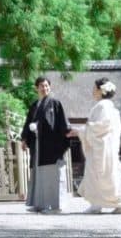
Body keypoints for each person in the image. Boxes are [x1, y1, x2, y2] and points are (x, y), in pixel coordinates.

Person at [69, 77, 121, 214]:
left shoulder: (103, 106)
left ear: (100, 91)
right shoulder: (109, 106)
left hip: (102, 147)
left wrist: (80, 130)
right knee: (111, 174)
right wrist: (83, 130)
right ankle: (119, 202)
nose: (92, 91)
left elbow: (101, 126)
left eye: (94, 88)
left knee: (101, 174)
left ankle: (101, 204)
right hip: (106, 146)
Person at [21, 76, 73, 214]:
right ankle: (39, 203)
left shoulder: (55, 103)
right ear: (36, 88)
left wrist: (67, 133)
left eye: (46, 86)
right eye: (41, 86)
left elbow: (60, 122)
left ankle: (55, 205)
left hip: (51, 145)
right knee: (39, 174)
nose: (44, 88)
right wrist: (25, 138)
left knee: (52, 175)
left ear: (50, 87)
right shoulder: (34, 105)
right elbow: (28, 122)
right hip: (38, 146)